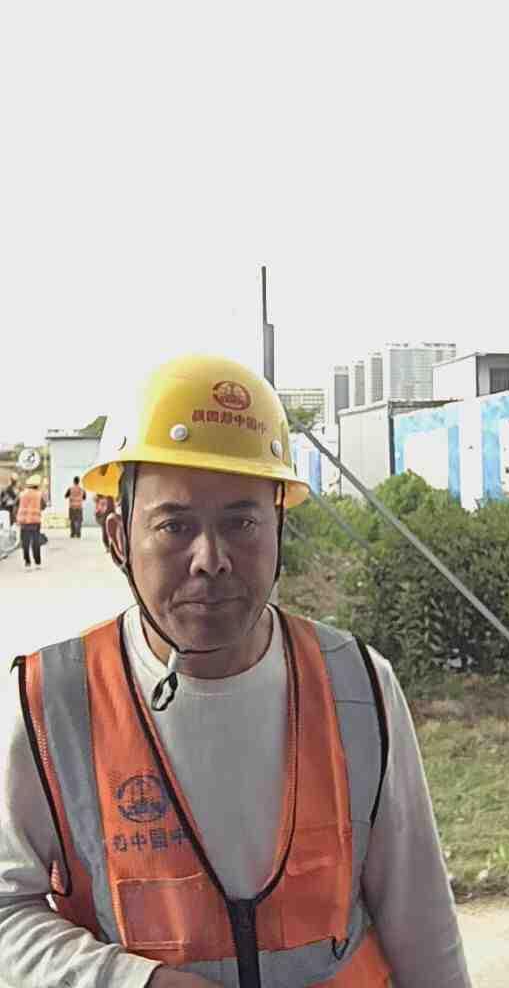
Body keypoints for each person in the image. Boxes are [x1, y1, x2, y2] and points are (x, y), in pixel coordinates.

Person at [0, 355, 472, 988]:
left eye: (241, 522)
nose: (211, 559)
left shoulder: (357, 686)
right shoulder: (51, 700)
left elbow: (422, 921)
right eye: (175, 526)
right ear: (117, 537)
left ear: (279, 529)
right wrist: (133, 981)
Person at [15, 473, 46, 570]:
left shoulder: (22, 494)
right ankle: (37, 563)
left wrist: (16, 518)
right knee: (36, 542)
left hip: (24, 522)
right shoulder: (39, 495)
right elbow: (43, 506)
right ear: (37, 485)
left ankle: (27, 563)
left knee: (25, 543)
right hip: (35, 522)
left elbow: (16, 506)